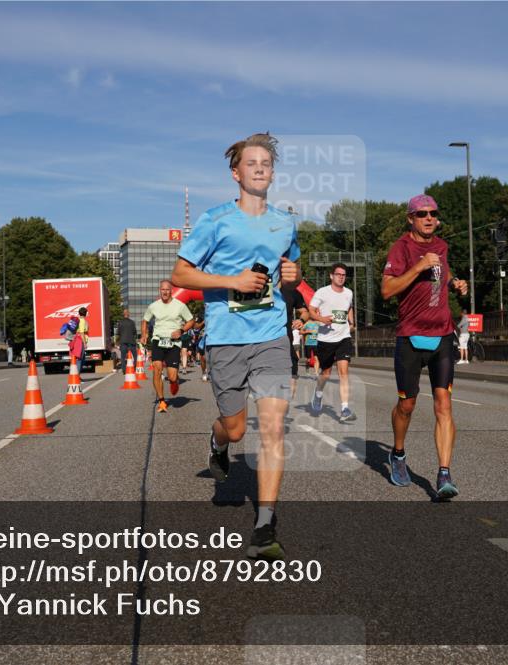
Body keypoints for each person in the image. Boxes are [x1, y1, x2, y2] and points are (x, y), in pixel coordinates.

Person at [171, 132, 301, 560]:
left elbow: (292, 274)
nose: (261, 168)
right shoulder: (215, 220)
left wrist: (292, 277)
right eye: (252, 162)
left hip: (271, 336)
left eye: (266, 162)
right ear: (236, 173)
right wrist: (232, 281)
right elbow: (182, 276)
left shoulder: (286, 222)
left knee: (272, 428)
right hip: (226, 339)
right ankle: (219, 444)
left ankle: (265, 523)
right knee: (236, 427)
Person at [381, 194, 469, 499]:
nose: (429, 218)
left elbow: (440, 276)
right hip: (410, 336)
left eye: (433, 213)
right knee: (407, 405)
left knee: (443, 405)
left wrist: (454, 282)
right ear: (410, 218)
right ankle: (398, 453)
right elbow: (387, 290)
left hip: (443, 335)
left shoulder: (442, 247)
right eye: (422, 214)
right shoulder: (401, 248)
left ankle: (444, 474)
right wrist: (417, 266)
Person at [308, 263, 355, 421]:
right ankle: (318, 394)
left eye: (343, 274)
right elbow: (311, 310)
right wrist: (322, 319)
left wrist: (351, 321)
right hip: (325, 339)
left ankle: (345, 408)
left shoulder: (349, 293)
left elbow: (349, 307)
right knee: (326, 373)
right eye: (338, 274)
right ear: (331, 276)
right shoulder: (322, 292)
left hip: (343, 337)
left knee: (344, 372)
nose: (341, 277)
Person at [141, 281, 195, 413]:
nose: (164, 292)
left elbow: (191, 320)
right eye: (162, 290)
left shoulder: (180, 305)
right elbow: (145, 320)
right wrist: (144, 334)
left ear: (171, 291)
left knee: (172, 376)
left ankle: (174, 382)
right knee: (157, 369)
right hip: (158, 341)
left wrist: (181, 331)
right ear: (159, 291)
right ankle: (161, 400)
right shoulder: (153, 306)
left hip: (174, 343)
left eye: (167, 290)